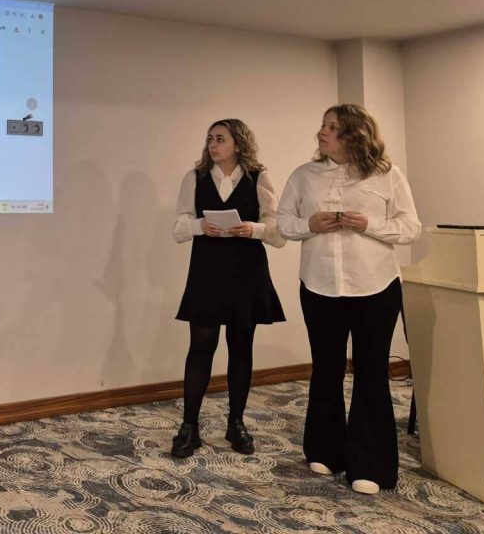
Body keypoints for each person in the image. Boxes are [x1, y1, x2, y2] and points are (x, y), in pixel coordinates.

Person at [277, 104, 421, 494]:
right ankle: (324, 450)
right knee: (326, 367)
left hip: (376, 286)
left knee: (371, 371)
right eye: (323, 125)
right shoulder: (303, 175)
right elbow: (283, 222)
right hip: (319, 285)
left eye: (332, 127)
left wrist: (369, 224)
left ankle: (370, 465)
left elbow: (410, 227)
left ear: (355, 135)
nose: (322, 132)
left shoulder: (387, 175)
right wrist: (309, 224)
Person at [170, 119, 286, 458]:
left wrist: (254, 229)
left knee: (241, 347)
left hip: (246, 271)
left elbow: (278, 230)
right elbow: (178, 227)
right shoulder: (195, 177)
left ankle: (236, 423)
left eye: (220, 138)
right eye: (210, 138)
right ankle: (189, 427)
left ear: (238, 143)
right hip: (207, 270)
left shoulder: (259, 177)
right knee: (200, 346)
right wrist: (199, 226)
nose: (213, 144)